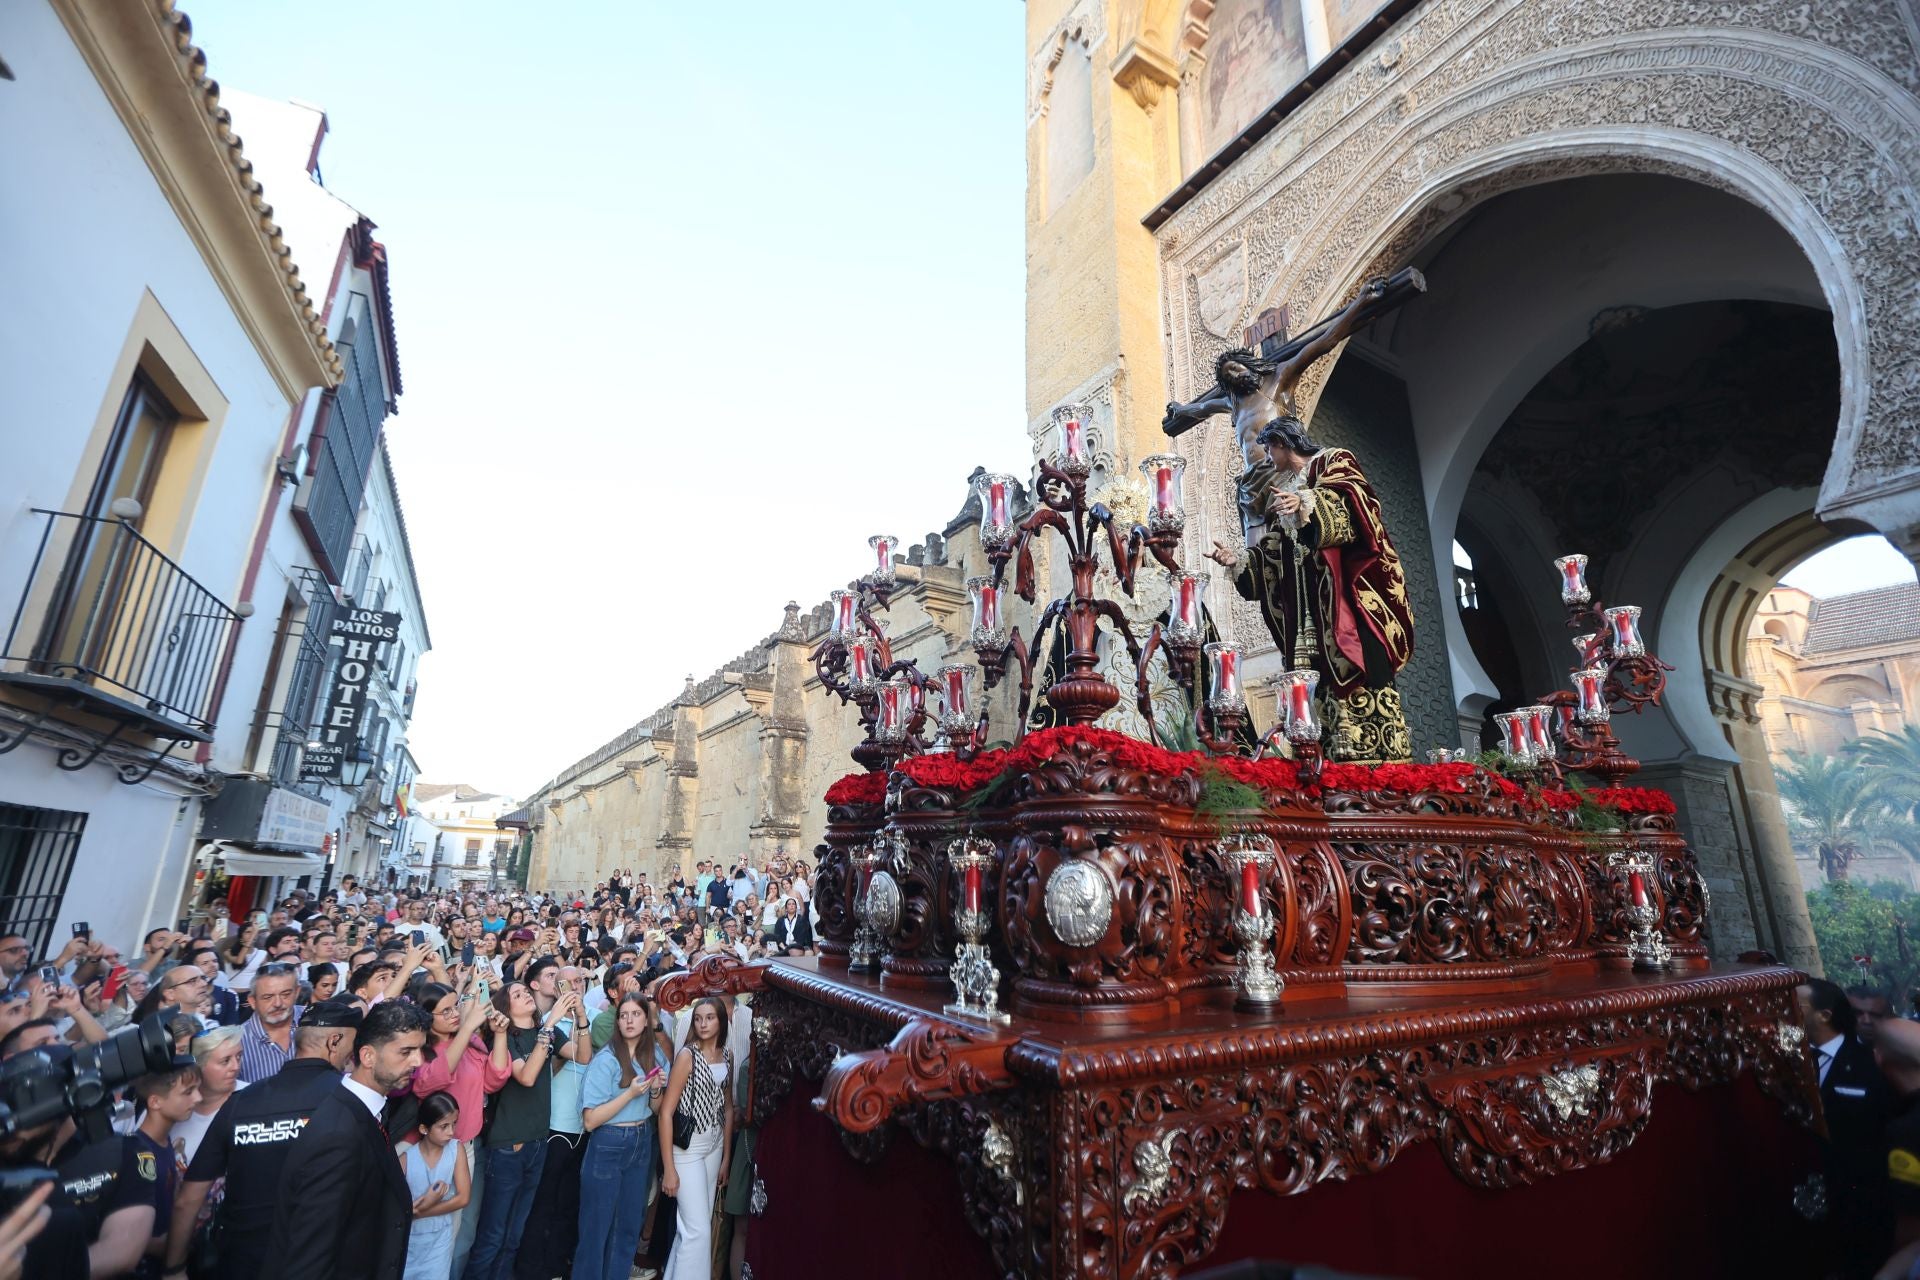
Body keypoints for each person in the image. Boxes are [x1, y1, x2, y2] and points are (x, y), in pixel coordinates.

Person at [1206, 414, 1416, 762]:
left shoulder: (1335, 460)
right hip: (1308, 614)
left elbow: (1358, 509)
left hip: (1345, 600)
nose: (1268, 458)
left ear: (1284, 443)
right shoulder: (1284, 490)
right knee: (1315, 682)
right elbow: (1276, 550)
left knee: (1357, 664)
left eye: (1269, 449)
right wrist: (1239, 562)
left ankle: (1379, 761)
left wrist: (1308, 504)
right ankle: (1325, 760)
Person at [162, 1000, 363, 1280]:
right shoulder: (351, 1101)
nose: (352, 1054)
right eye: (353, 1043)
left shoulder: (240, 1102)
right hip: (316, 1261)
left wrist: (173, 1268)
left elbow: (189, 1198)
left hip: (241, 1262)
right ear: (335, 1041)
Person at [268, 999, 430, 1280]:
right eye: (406, 1051)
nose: (418, 1061)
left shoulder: (367, 1112)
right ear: (367, 1056)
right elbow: (310, 1256)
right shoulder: (337, 1136)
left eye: (420, 1050)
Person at [460, 981, 573, 1280]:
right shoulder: (506, 1038)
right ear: (505, 1007)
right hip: (510, 1145)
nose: (526, 995)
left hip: (538, 1141)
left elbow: (582, 1054)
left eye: (526, 991)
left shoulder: (543, 1032)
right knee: (493, 1234)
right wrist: (548, 1026)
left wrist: (581, 1018)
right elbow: (526, 1076)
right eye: (517, 994)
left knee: (514, 1235)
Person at [412, 980, 512, 1279]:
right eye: (445, 1011)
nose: (455, 1014)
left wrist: (501, 1034)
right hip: (430, 1152)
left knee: (463, 1233)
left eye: (455, 1006)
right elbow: (432, 1082)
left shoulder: (469, 1043)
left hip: (467, 1147)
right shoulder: (421, 1050)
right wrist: (467, 1029)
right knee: (428, 1233)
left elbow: (494, 1079)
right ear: (426, 1017)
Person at [1801, 977, 1892, 1278]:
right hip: (1809, 1201)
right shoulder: (1793, 1060)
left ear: (1824, 1014)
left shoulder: (1870, 1064)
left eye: (1796, 1003)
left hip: (1860, 1205)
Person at [576, 994, 667, 1280]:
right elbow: (590, 1121)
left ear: (646, 1020)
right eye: (624, 1014)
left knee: (628, 1226)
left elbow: (656, 1109)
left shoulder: (654, 1054)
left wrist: (655, 1089)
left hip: (641, 1140)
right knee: (596, 1228)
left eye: (636, 1014)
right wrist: (630, 1093)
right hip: (609, 1142)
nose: (629, 1020)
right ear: (617, 1020)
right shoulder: (606, 1059)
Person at [659, 996, 733, 1280]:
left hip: (714, 1146)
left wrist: (726, 1156)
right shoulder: (687, 1056)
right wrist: (669, 1169)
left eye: (709, 1018)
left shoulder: (727, 1055)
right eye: (698, 1018)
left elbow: (727, 1108)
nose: (703, 1024)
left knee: (690, 1228)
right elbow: (666, 1112)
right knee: (698, 1231)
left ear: (721, 1021)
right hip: (687, 1148)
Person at [129, 1058, 201, 1279]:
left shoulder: (165, 1142)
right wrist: (161, 1246)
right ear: (155, 1102)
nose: (198, 1098)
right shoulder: (136, 1155)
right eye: (188, 1092)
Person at [400, 1092, 472, 1280]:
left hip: (440, 1242)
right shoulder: (406, 1160)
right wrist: (424, 1206)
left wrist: (422, 1211)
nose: (451, 1131)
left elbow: (463, 1198)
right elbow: (395, 1209)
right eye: (443, 1126)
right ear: (424, 1129)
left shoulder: (456, 1150)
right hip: (410, 1243)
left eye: (454, 1124)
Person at [170, 1026, 244, 1166]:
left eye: (239, 1056)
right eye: (225, 1061)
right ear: (198, 1066)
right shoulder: (172, 1106)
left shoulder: (253, 1098)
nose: (236, 1066)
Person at [234, 963, 301, 1084]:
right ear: (252, 1001)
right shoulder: (236, 1041)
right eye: (268, 997)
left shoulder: (315, 1022)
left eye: (285, 994)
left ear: (297, 992)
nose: (277, 1003)